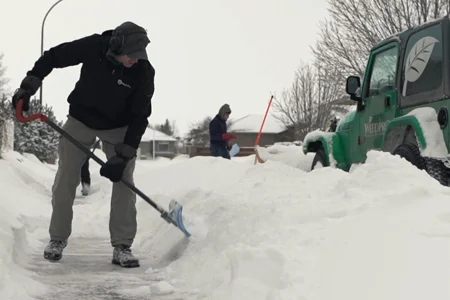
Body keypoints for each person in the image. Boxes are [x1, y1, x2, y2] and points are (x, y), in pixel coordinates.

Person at [11, 21, 155, 268]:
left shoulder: (143, 72)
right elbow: (53, 57)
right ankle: (57, 239)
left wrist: (123, 155)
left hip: (119, 127)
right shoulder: (94, 46)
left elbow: (141, 116)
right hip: (81, 119)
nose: (135, 60)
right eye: (131, 56)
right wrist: (30, 83)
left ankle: (122, 246)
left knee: (125, 181)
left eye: (139, 56)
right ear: (118, 46)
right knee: (66, 177)